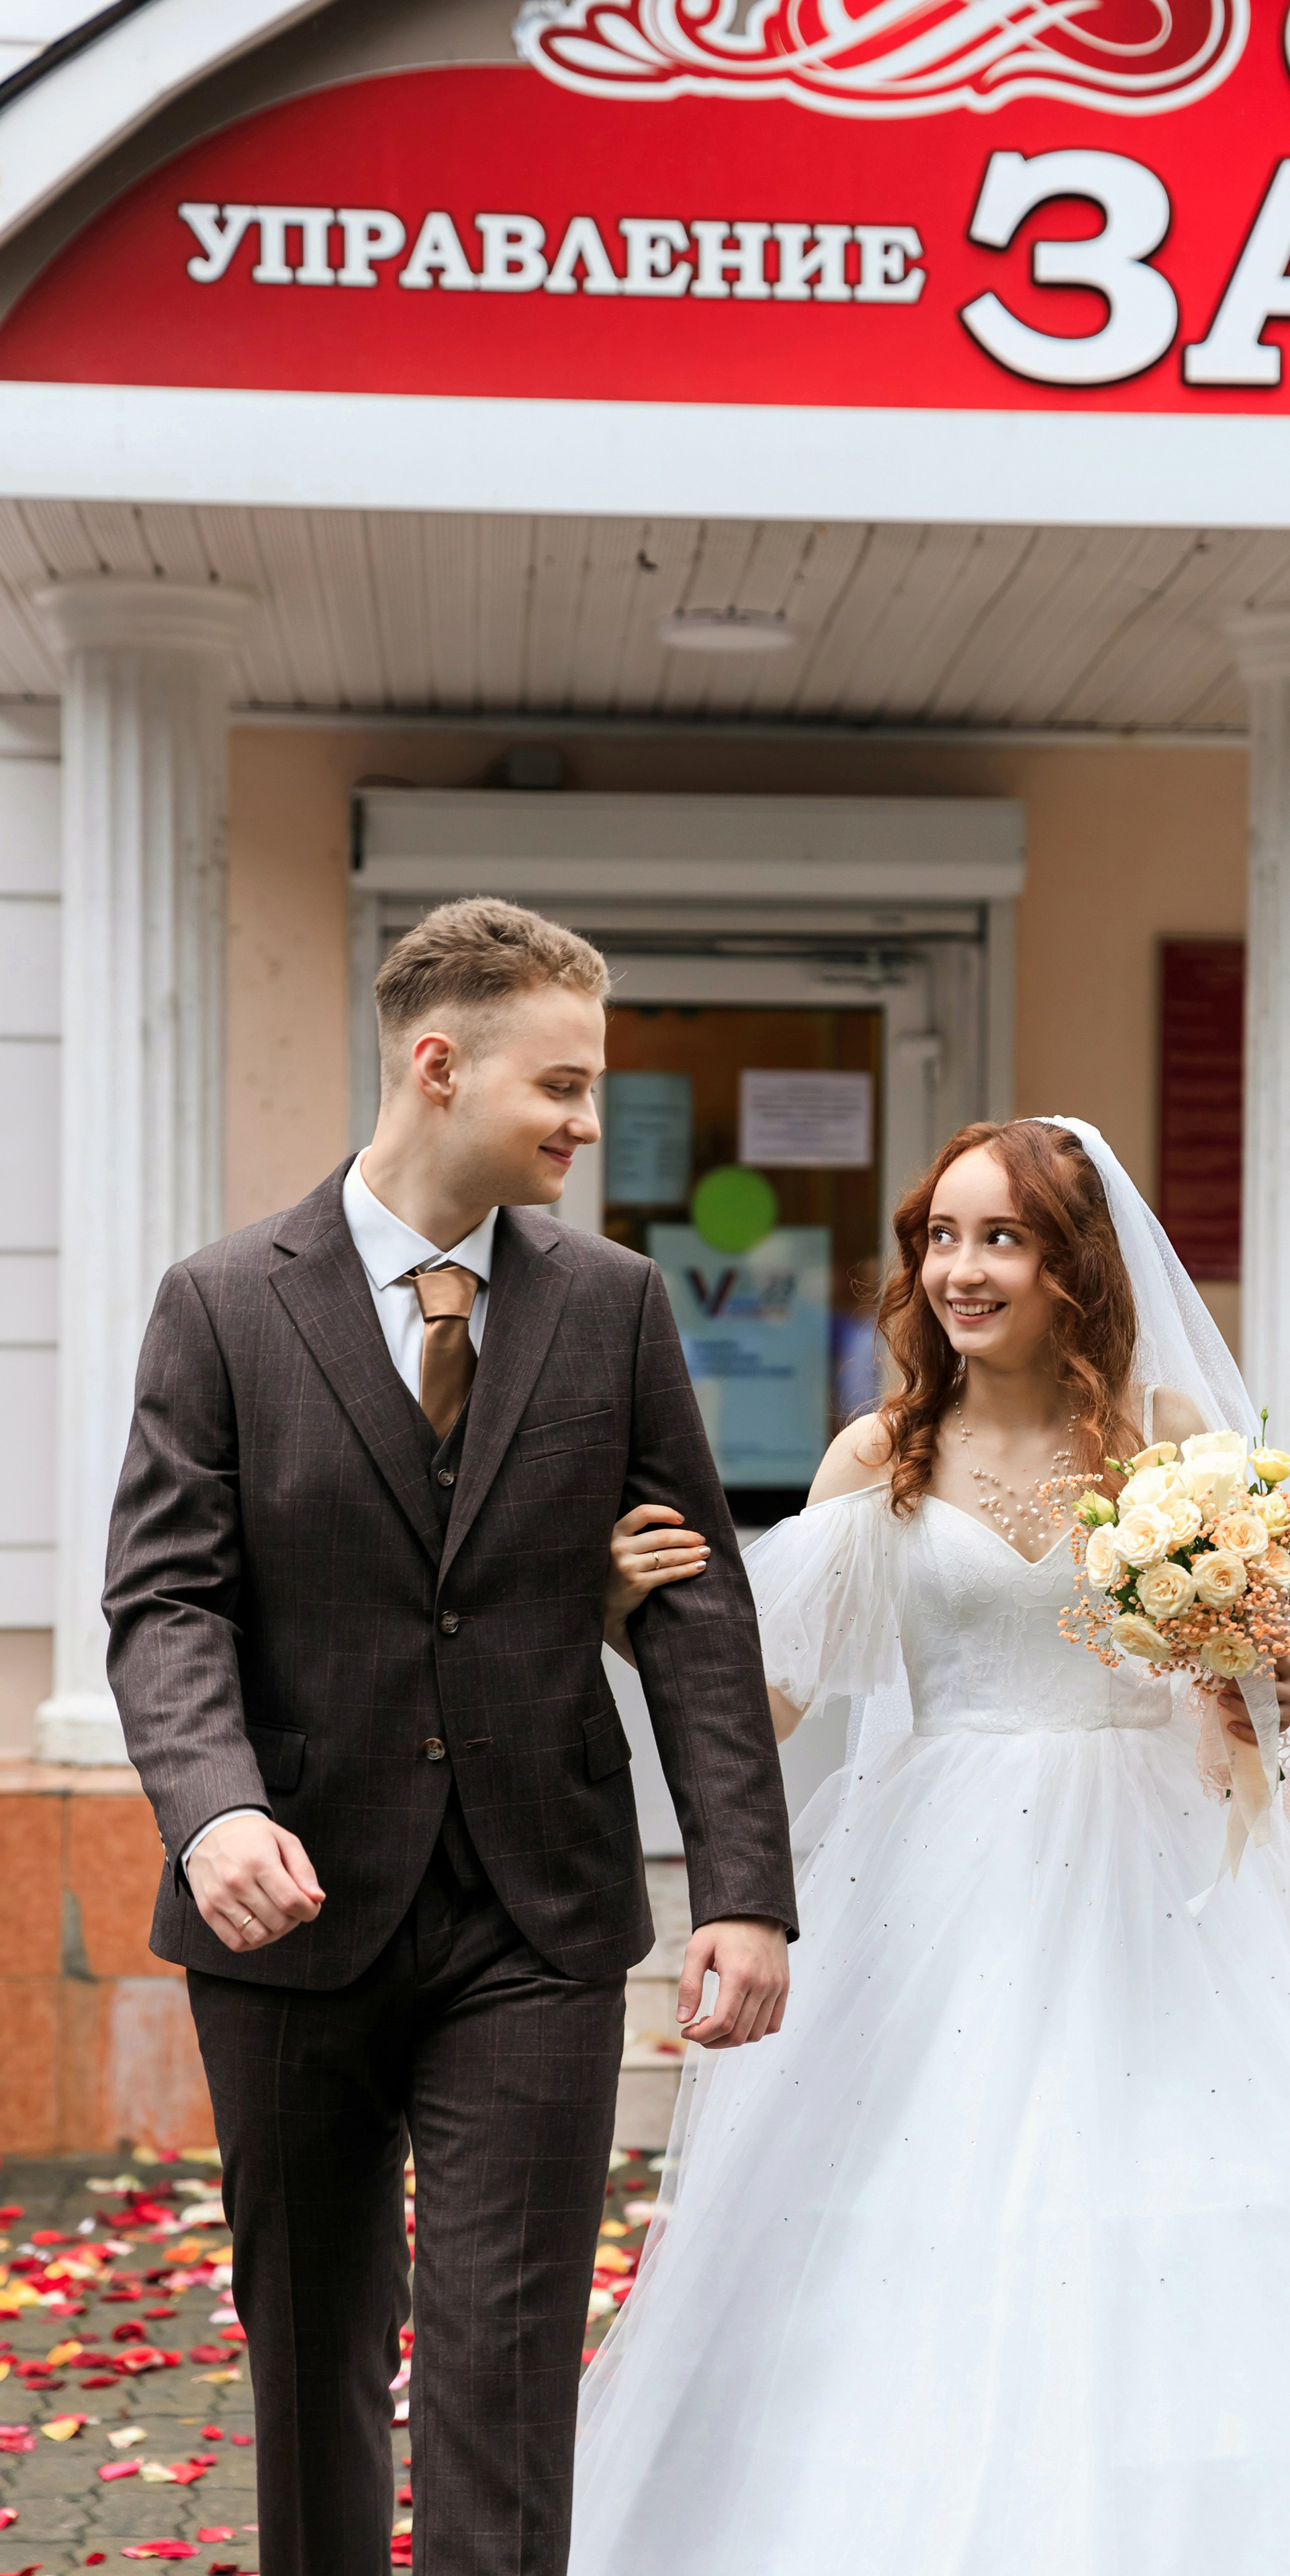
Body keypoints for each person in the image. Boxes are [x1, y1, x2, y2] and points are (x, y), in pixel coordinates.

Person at [571, 1117, 1290, 2576]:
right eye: (941, 1238)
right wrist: (626, 1627)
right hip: (932, 1879)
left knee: (1173, 2187)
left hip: (1148, 1879)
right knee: (910, 2196)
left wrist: (1261, 1686)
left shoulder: (1167, 1440)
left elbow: (1238, 1704)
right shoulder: (882, 1454)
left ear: (1072, 1262)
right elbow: (770, 1703)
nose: (959, 1269)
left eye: (999, 1238)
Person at [103, 898, 797, 2576]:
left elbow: (692, 1601)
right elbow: (166, 1597)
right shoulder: (220, 1302)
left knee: (505, 2366)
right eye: (561, 1083)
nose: (588, 1121)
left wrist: (741, 1885)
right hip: (287, 1909)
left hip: (533, 1915)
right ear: (438, 1064)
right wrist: (213, 1809)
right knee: (314, 2352)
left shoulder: (614, 1304)